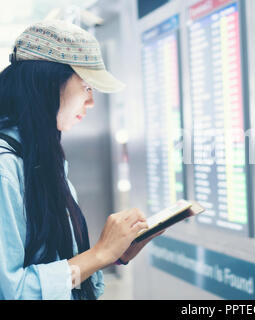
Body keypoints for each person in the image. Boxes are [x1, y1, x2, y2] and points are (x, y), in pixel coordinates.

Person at [0, 20, 159, 300]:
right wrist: (98, 254)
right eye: (86, 86)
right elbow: (11, 291)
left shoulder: (45, 160)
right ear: (47, 85)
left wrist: (111, 256)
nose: (91, 102)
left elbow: (55, 264)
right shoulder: (5, 171)